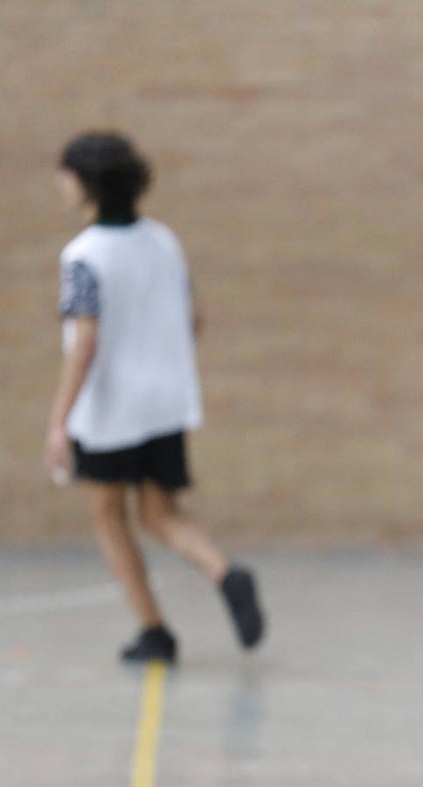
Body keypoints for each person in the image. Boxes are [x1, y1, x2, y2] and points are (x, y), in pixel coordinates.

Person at [44, 131, 264, 664]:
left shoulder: (83, 257)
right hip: (165, 403)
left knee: (109, 515)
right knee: (160, 512)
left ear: (87, 185)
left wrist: (59, 422)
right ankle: (223, 570)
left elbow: (85, 342)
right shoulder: (165, 241)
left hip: (110, 410)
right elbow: (193, 318)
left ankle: (154, 630)